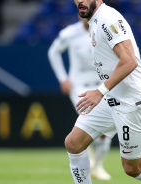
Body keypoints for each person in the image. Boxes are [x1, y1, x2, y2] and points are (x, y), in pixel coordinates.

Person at [65, 0, 141, 184]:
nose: (80, 1)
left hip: (134, 103)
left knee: (133, 168)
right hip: (113, 98)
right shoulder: (95, 20)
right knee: (74, 143)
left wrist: (99, 91)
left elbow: (130, 61)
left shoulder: (107, 18)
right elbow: (133, 50)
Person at [48, 16, 112, 180]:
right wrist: (63, 78)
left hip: (102, 86)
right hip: (79, 87)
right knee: (90, 120)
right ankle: (89, 160)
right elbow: (53, 52)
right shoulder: (70, 33)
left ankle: (97, 166)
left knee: (106, 130)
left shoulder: (105, 31)